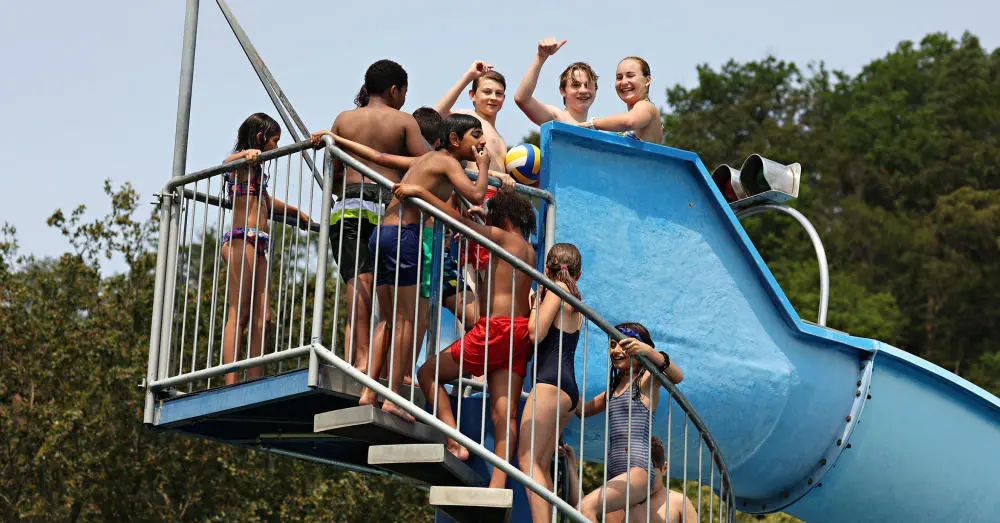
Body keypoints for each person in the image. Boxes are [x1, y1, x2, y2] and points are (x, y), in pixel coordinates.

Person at [403, 185, 537, 489]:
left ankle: (454, 440)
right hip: (519, 332)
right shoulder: (526, 248)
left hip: (496, 329)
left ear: (502, 221)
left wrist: (422, 193)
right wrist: (483, 219)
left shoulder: (502, 237)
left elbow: (456, 221)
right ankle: (498, 485)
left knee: (428, 373)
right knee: (506, 415)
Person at [360, 114, 491, 421]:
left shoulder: (427, 159)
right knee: (404, 321)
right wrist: (483, 167)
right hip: (405, 237)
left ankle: (368, 392)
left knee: (388, 321)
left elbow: (380, 157)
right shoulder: (448, 162)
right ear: (455, 140)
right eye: (475, 136)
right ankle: (392, 399)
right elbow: (475, 193)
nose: (480, 143)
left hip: (383, 234)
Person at [326, 59, 429, 377]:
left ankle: (358, 360)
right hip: (388, 212)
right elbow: (428, 161)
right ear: (395, 90)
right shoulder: (403, 122)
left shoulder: (343, 120)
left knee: (358, 286)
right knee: (390, 293)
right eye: (404, 92)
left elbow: (334, 175)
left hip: (347, 208)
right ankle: (381, 369)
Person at [221, 113, 310, 385]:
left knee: (265, 317)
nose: (276, 147)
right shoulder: (242, 165)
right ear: (260, 138)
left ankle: (254, 379)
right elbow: (226, 163)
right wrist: (245, 153)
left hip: (259, 241)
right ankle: (231, 382)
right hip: (241, 239)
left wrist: (298, 213)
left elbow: (267, 204)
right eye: (274, 141)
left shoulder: (258, 171)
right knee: (240, 312)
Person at [577, 322, 684, 522]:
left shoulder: (646, 380)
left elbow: (677, 376)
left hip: (637, 468)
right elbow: (582, 410)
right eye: (612, 345)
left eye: (623, 345)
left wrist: (650, 352)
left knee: (585, 507)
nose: (615, 350)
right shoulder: (614, 388)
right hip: (614, 470)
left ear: (636, 347)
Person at [516, 243, 585, 523]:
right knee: (540, 465)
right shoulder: (575, 296)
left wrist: (535, 305)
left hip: (550, 383)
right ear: (578, 274)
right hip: (566, 387)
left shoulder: (558, 290)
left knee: (527, 462)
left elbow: (536, 333)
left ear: (547, 269)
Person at [514, 38, 598, 126]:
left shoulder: (596, 128)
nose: (583, 90)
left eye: (587, 85)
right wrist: (541, 57)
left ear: (595, 90)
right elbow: (522, 99)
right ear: (563, 91)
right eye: (575, 85)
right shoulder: (556, 117)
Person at [579, 57, 663, 143]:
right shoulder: (628, 123)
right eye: (619, 78)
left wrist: (592, 124)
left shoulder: (646, 106)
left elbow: (629, 121)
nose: (623, 82)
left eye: (630, 76)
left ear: (647, 80)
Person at [630, 437, 700, 523]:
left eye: (650, 476)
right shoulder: (624, 502)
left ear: (664, 468)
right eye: (638, 476)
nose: (644, 481)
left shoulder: (679, 502)